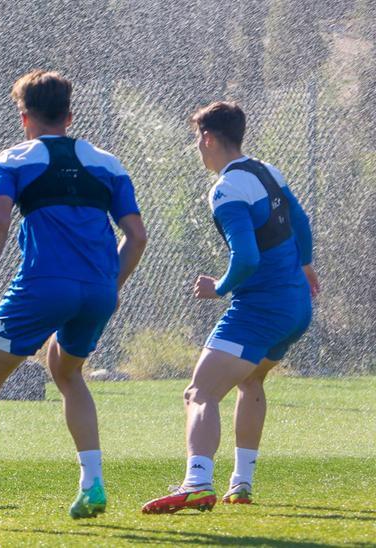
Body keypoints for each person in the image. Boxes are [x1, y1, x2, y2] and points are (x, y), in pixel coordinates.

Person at [0, 70, 148, 526]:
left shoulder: (14, 158)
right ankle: (93, 485)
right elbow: (137, 236)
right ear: (69, 115)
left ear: (23, 115)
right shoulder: (108, 163)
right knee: (67, 372)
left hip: (43, 285)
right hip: (97, 289)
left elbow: (0, 221)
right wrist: (112, 283)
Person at [141, 101, 316, 514]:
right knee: (251, 383)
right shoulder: (266, 170)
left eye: (197, 140)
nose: (197, 149)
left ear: (208, 138)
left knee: (199, 392)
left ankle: (197, 482)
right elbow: (302, 221)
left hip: (261, 308)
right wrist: (306, 267)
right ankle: (241, 483)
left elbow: (248, 257)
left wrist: (217, 288)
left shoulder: (225, 189)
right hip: (294, 306)